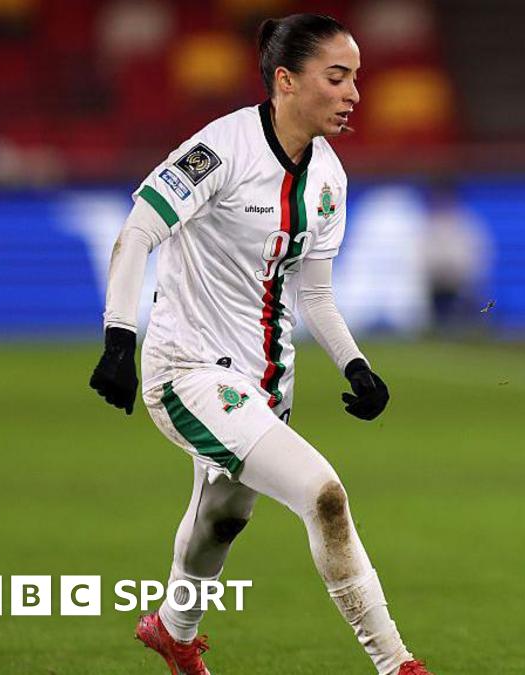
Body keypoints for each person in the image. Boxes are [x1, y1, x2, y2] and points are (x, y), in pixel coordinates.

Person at [88, 14, 432, 675]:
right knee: (323, 493)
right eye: (337, 77)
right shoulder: (219, 150)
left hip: (265, 384)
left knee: (221, 517)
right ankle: (397, 664)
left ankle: (173, 630)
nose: (354, 93)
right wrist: (118, 340)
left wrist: (356, 364)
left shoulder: (330, 178)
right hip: (186, 370)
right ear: (286, 80)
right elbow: (137, 232)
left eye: (356, 78)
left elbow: (315, 293)